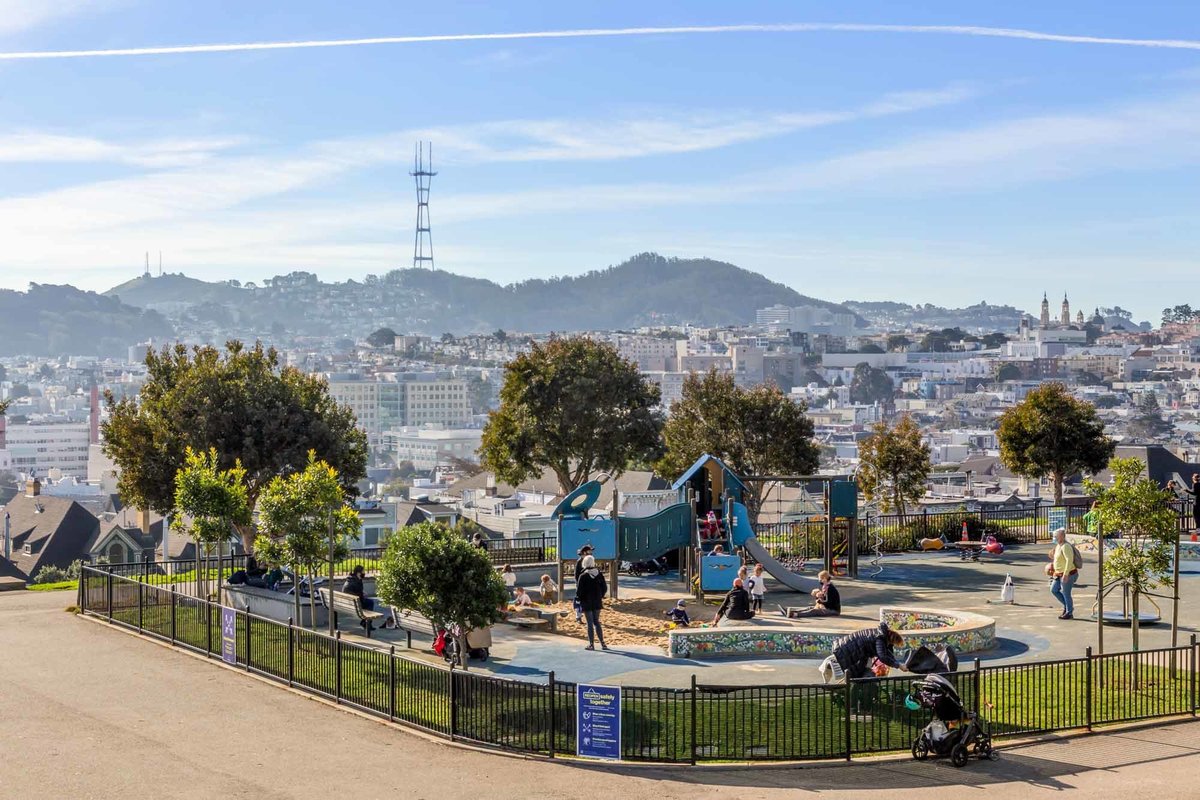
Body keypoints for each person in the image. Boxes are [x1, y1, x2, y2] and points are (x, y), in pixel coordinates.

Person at [821, 622, 903, 683]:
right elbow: (883, 656)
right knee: (856, 676)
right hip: (845, 651)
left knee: (860, 673)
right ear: (891, 640)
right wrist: (898, 665)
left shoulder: (880, 635)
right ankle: (850, 693)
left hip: (845, 647)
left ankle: (851, 689)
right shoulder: (880, 639)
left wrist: (897, 663)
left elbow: (888, 652)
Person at [575, 555, 608, 650]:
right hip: (597, 601)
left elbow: (579, 591)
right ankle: (603, 643)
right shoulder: (599, 574)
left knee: (589, 623)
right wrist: (600, 596)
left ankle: (591, 644)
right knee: (596, 621)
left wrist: (579, 599)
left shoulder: (583, 576)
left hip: (586, 601)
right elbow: (605, 588)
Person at [1049, 527, 1080, 620]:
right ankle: (1067, 607)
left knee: (1066, 593)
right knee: (1054, 590)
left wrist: (1066, 574)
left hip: (1068, 574)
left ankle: (1069, 612)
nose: (1054, 538)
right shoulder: (1059, 545)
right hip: (1058, 574)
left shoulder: (1066, 546)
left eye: (1056, 536)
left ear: (1062, 536)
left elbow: (1069, 560)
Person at [342, 565, 377, 630]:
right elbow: (358, 596)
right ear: (358, 573)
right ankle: (366, 623)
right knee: (370, 603)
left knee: (368, 602)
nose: (364, 573)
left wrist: (362, 592)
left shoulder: (351, 579)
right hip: (355, 604)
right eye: (363, 571)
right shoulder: (356, 581)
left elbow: (350, 591)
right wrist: (362, 594)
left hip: (347, 603)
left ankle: (365, 622)